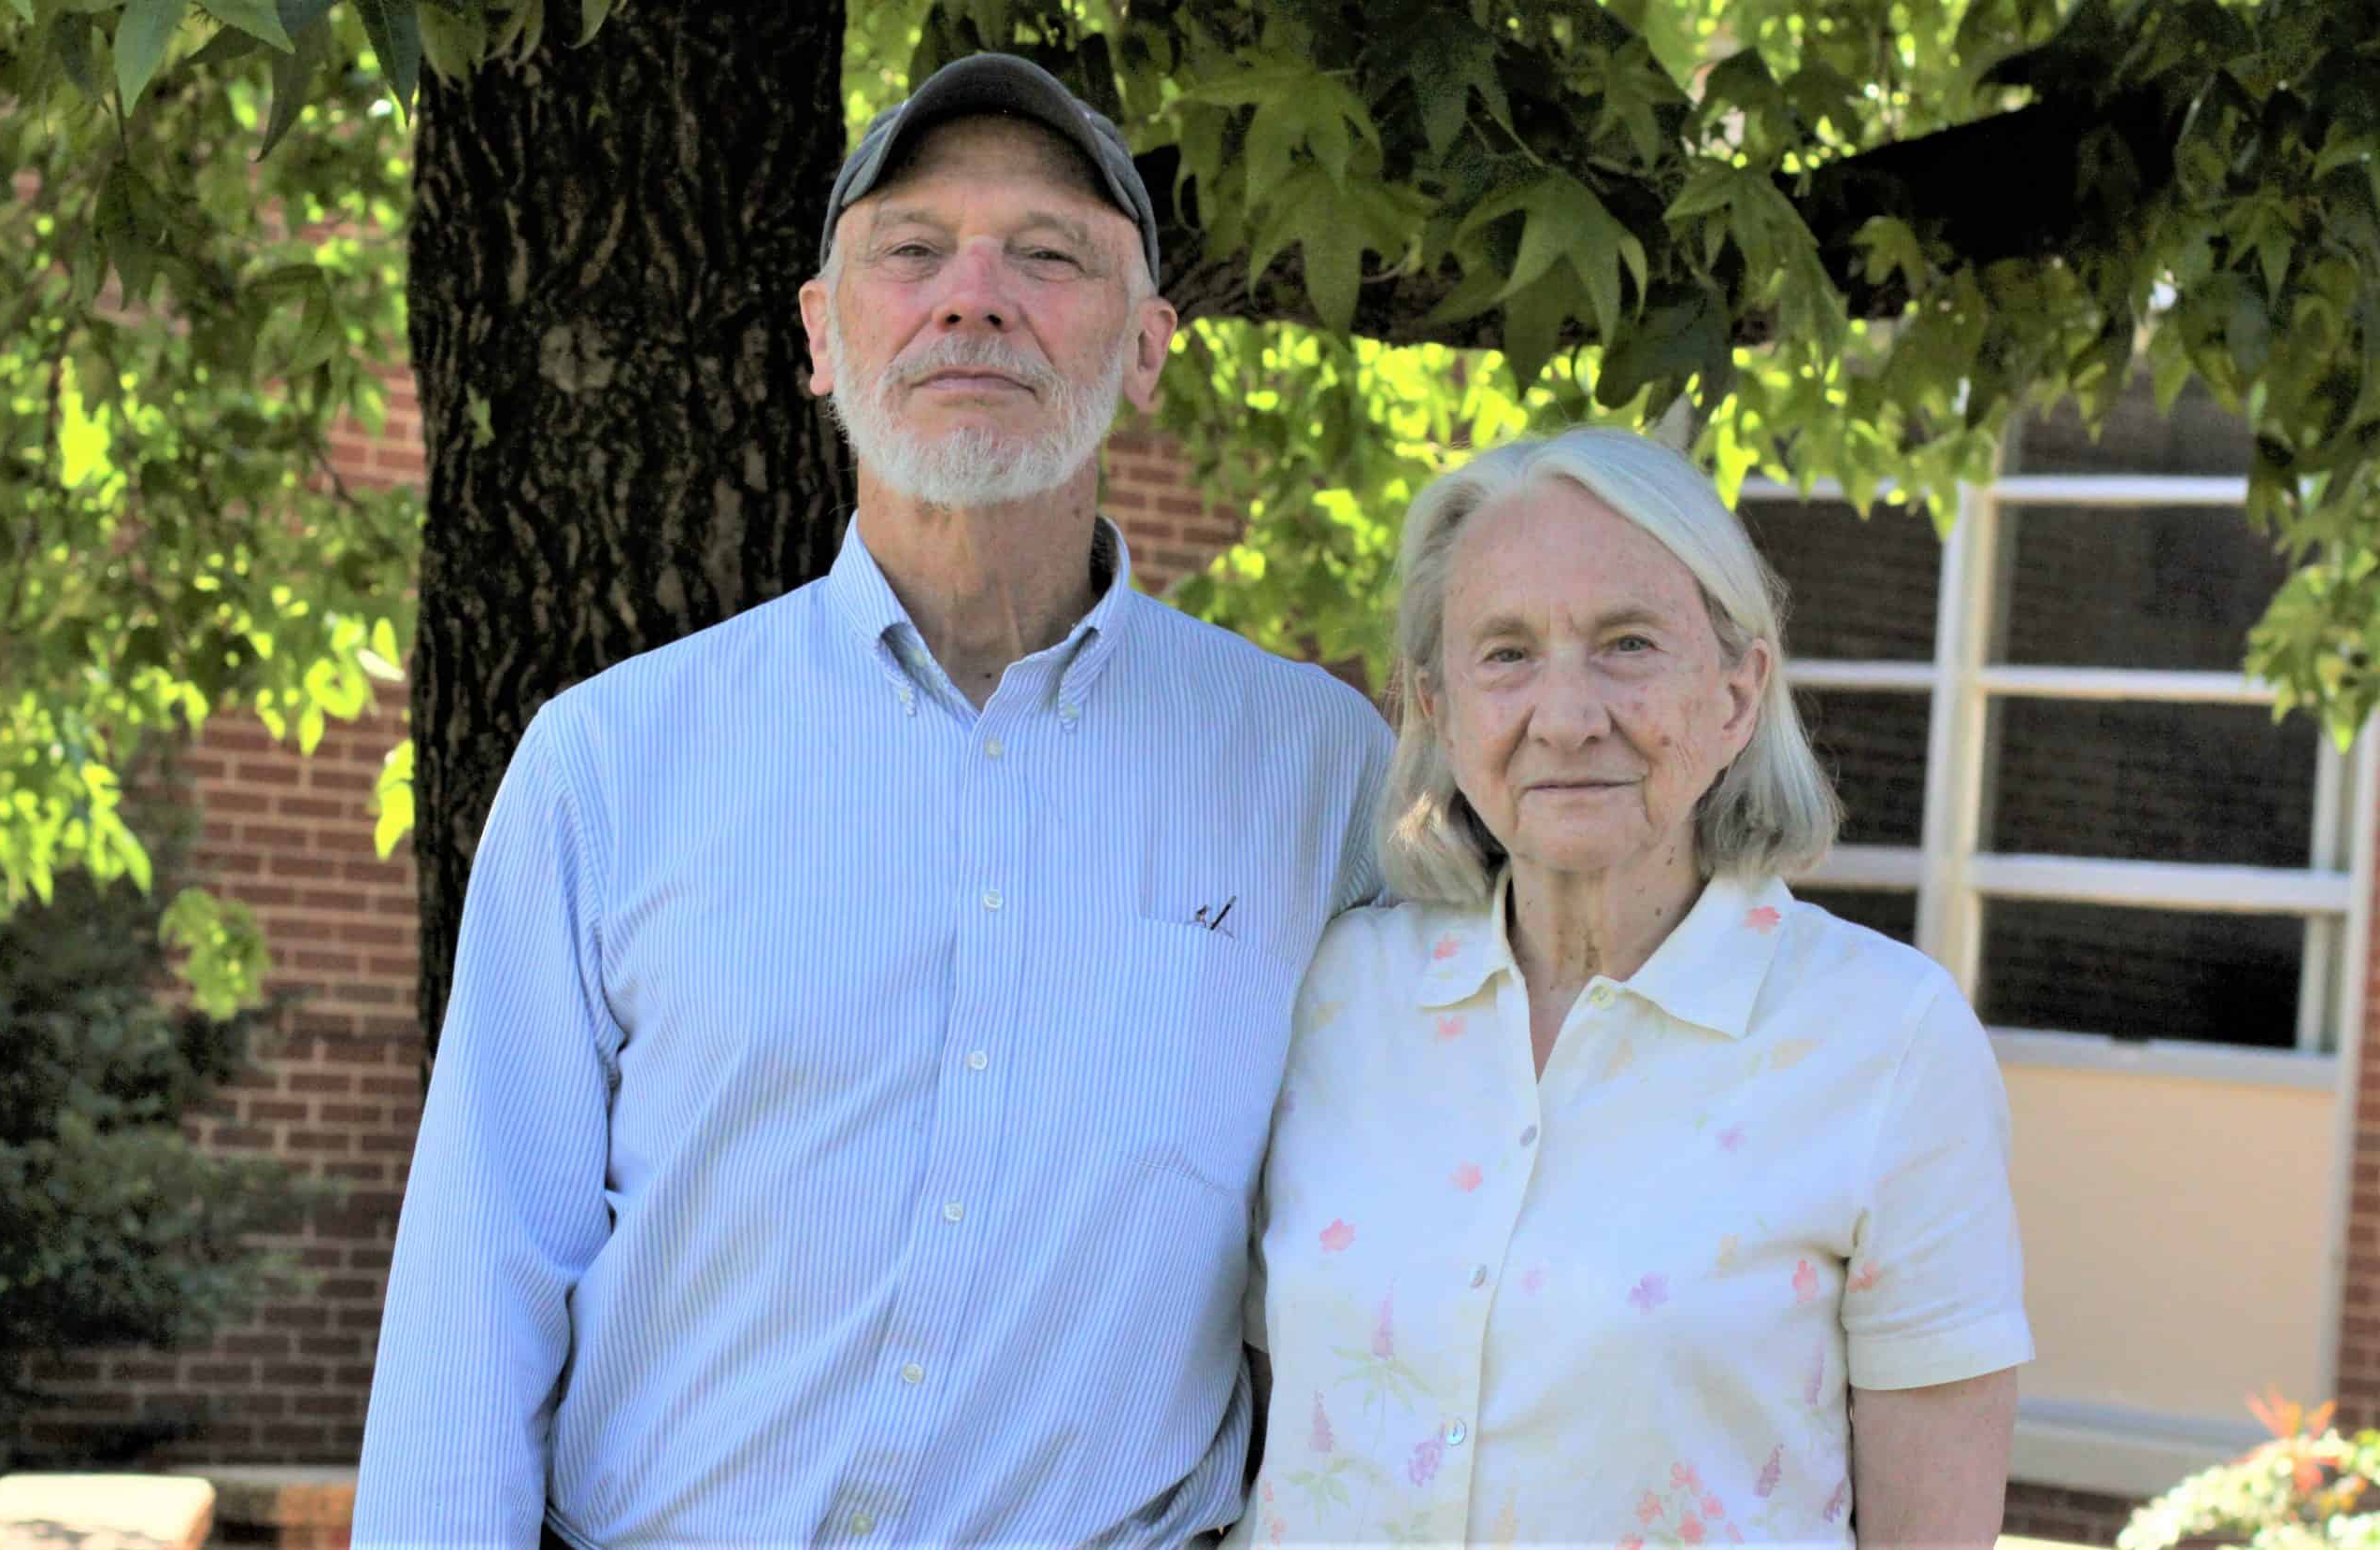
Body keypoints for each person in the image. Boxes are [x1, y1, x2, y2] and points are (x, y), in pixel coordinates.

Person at [353, 53, 1392, 1549]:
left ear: (1151, 347)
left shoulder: (1317, 771)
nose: (974, 296)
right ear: (822, 334)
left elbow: (1405, 1234)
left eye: (1049, 254)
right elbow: (478, 1278)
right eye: (911, 251)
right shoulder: (610, 760)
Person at [1231, 428, 2031, 1547]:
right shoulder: (1333, 995)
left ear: (1738, 693)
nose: (1565, 717)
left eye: (1627, 644)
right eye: (1505, 654)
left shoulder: (1886, 1041)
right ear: (1436, 705)